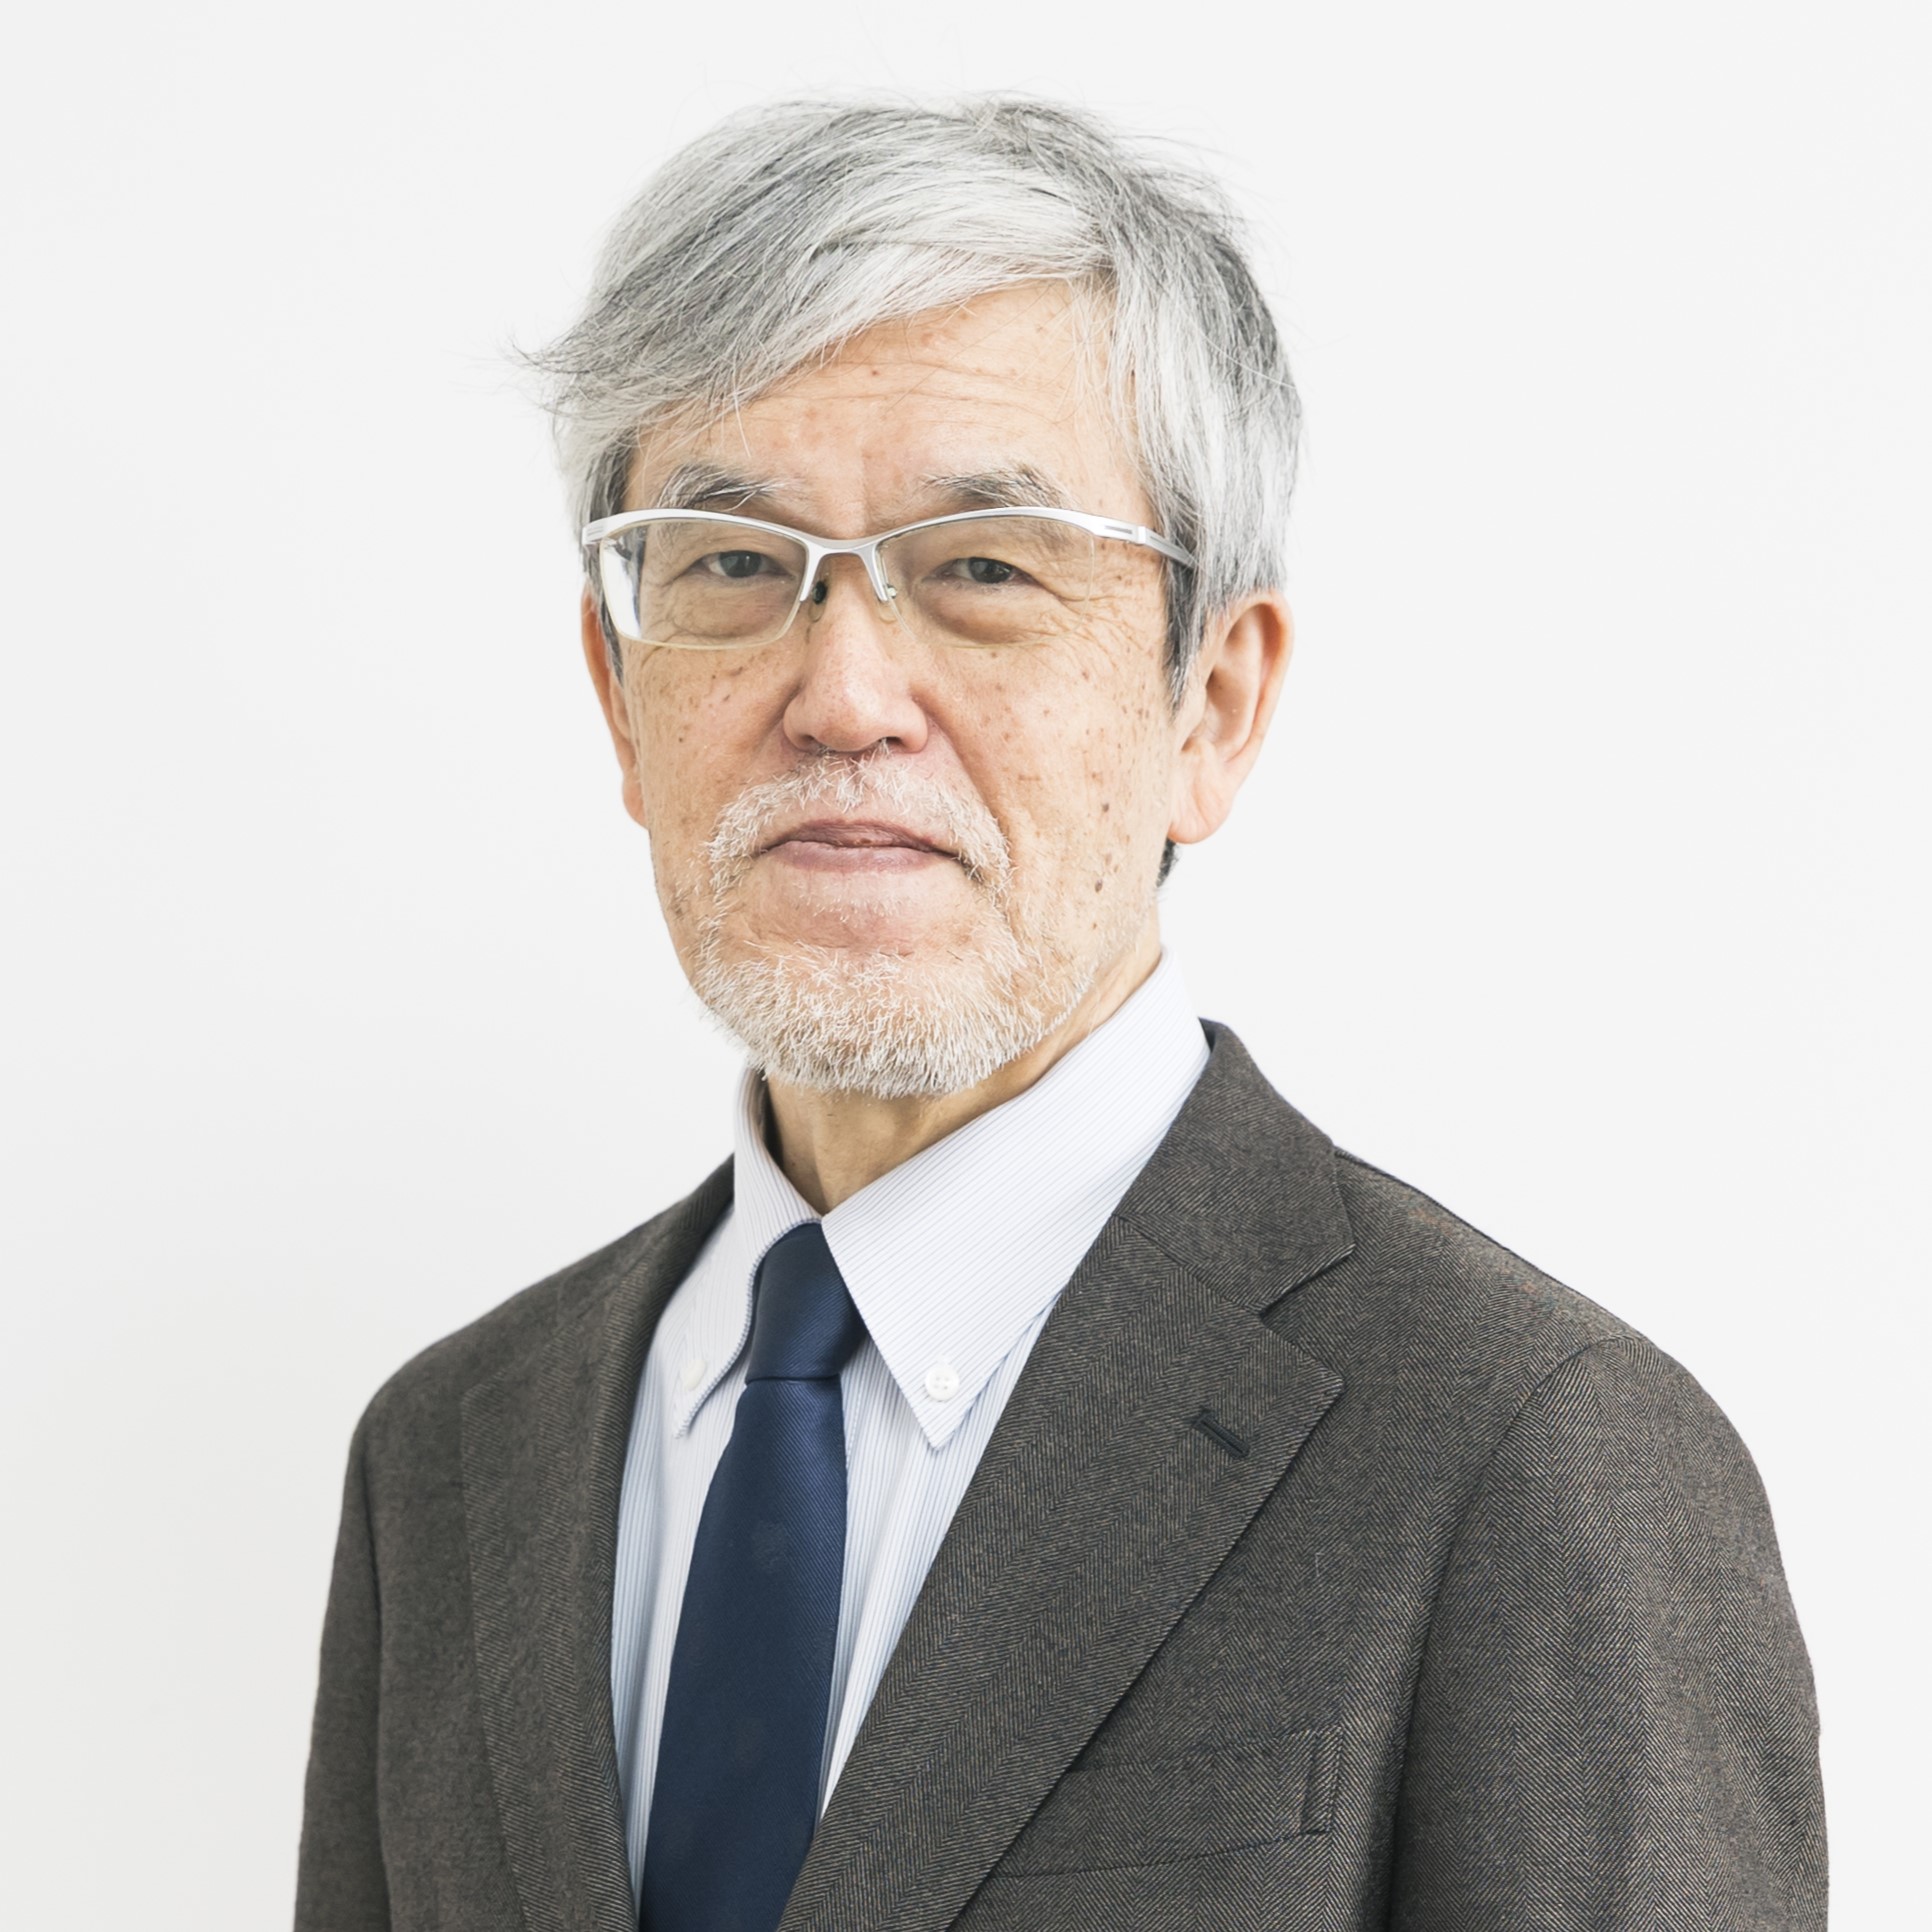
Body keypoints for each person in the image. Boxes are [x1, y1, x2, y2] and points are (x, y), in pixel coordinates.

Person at [293, 96, 1825, 1932]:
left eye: (986, 567)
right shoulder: (452, 1456)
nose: (842, 693)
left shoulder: (1530, 1458)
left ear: (1212, 707)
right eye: (731, 563)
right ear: (623, 699)